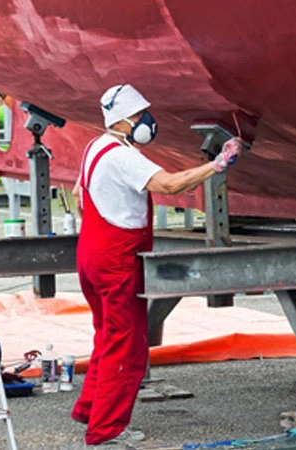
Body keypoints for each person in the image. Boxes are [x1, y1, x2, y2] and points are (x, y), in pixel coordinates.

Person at [71, 84, 242, 446]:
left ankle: (89, 408)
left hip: (90, 255)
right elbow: (170, 184)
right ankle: (106, 429)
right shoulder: (124, 157)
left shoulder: (95, 146)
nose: (146, 121)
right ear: (124, 120)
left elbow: (77, 193)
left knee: (106, 334)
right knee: (126, 345)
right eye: (139, 115)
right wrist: (216, 165)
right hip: (116, 260)